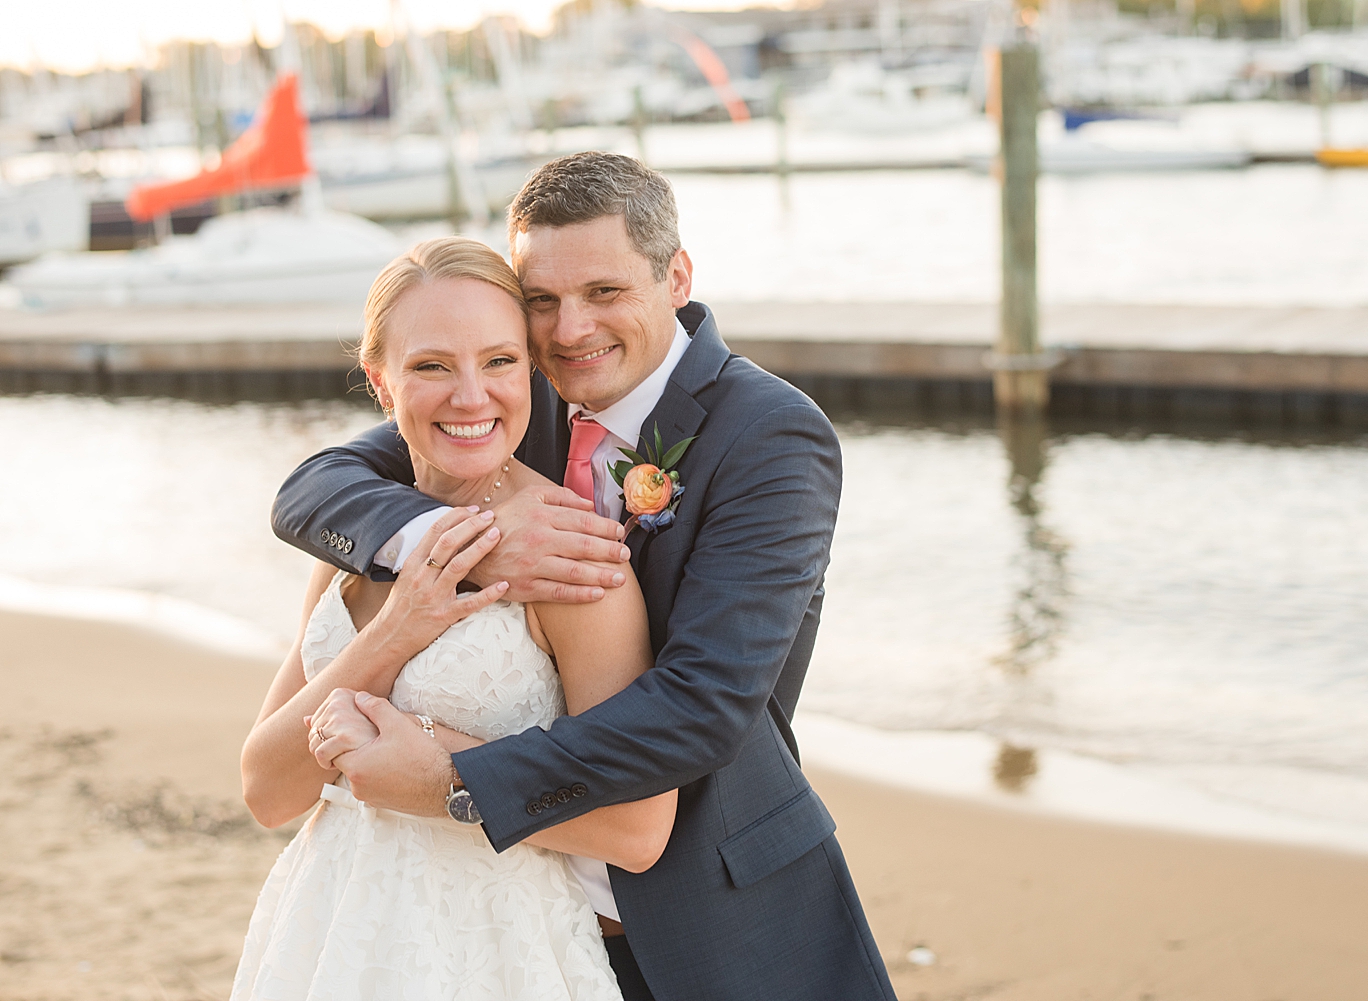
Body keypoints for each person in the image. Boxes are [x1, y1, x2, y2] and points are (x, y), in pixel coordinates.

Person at [271, 152, 897, 1001]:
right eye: (542, 301)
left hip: (710, 913)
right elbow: (316, 487)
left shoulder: (770, 436)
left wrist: (452, 780)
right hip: (518, 919)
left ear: (675, 276)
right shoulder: (509, 394)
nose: (569, 331)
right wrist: (461, 543)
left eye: (604, 292)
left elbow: (701, 706)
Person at [234, 236, 672, 999]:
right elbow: (268, 789)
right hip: (330, 934)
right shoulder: (360, 543)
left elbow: (636, 830)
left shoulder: (571, 560)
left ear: (533, 372)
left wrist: (437, 767)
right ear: (380, 381)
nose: (471, 397)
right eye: (432, 366)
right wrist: (400, 627)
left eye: (500, 361)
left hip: (496, 949)